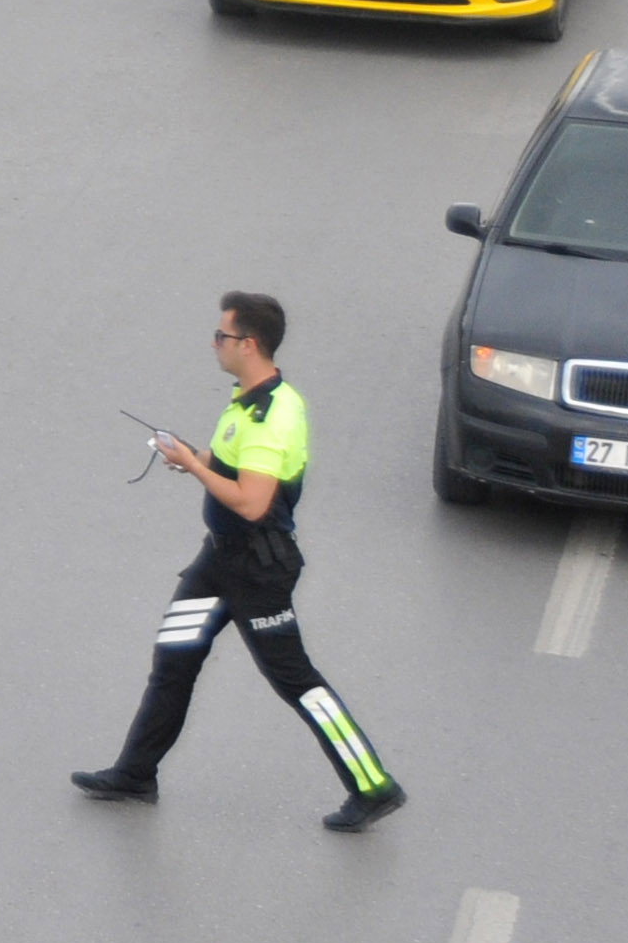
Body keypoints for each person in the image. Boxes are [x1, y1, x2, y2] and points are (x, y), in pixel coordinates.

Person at [74, 292, 406, 831]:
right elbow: (233, 471)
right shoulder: (247, 400)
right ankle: (136, 773)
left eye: (222, 336)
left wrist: (194, 468)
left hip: (257, 572)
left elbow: (252, 502)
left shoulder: (272, 416)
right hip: (217, 563)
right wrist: (193, 456)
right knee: (174, 660)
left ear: (249, 344)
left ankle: (374, 786)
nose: (214, 344)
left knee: (296, 681)